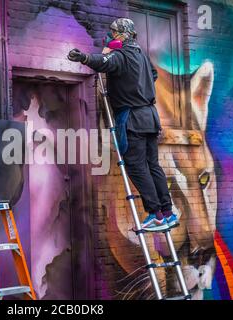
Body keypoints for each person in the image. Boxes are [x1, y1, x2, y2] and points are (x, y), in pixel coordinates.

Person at [67, 18, 178, 232]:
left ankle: (155, 214)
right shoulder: (142, 57)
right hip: (150, 118)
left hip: (132, 119)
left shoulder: (121, 56)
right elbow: (153, 75)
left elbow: (104, 62)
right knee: (153, 165)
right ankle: (167, 212)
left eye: (113, 32)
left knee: (136, 167)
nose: (110, 35)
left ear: (120, 35)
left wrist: (83, 57)